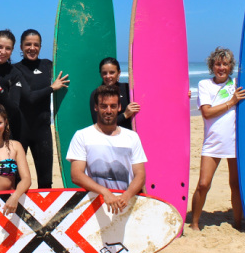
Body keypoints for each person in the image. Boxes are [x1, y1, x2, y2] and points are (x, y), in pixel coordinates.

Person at [189, 47, 245, 231]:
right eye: (217, 64)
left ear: (231, 67)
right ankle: (194, 223)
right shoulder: (205, 85)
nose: (221, 67)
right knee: (203, 184)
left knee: (236, 185)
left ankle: (238, 224)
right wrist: (231, 101)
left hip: (235, 143)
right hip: (213, 142)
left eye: (225, 64)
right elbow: (206, 112)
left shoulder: (237, 83)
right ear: (212, 66)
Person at [67, 85, 147, 214]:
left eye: (113, 106)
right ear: (96, 107)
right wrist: (105, 192)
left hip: (125, 202)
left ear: (119, 107)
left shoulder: (132, 137)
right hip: (95, 203)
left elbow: (140, 175)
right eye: (104, 106)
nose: (108, 110)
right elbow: (76, 175)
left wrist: (126, 196)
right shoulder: (82, 136)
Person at [15, 29, 68, 188]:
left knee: (46, 181)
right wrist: (52, 88)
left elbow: (70, 69)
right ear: (21, 46)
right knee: (17, 180)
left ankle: (45, 212)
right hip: (20, 131)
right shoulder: (15, 70)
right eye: (28, 44)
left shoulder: (48, 65)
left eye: (36, 45)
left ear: (40, 46)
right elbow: (29, 97)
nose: (32, 48)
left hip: (42, 131)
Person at [88, 57, 139, 129]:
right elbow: (98, 123)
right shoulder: (96, 94)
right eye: (104, 73)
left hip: (128, 138)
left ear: (119, 72)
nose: (108, 76)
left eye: (112, 72)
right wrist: (125, 115)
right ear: (100, 74)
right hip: (106, 138)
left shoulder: (128, 89)